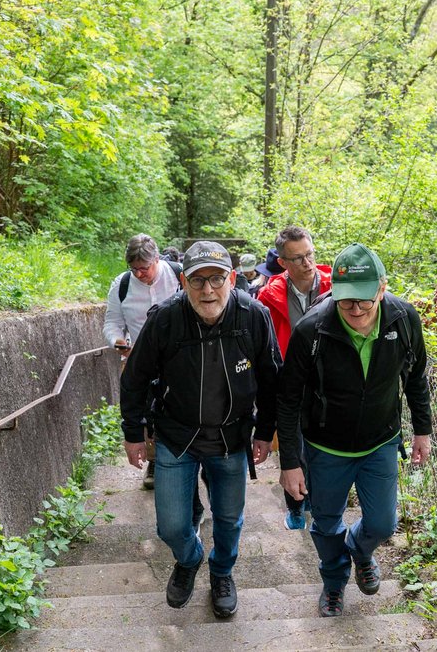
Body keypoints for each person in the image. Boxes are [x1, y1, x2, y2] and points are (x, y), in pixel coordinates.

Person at [260, 242, 432, 618]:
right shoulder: (312, 330)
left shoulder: (403, 320)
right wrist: (290, 462)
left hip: (380, 442)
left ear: (382, 289)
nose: (355, 309)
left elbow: (416, 377)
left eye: (364, 301)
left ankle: (359, 550)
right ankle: (334, 582)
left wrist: (423, 430)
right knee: (325, 523)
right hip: (326, 447)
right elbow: (287, 401)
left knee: (384, 523)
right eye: (345, 300)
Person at [120, 240, 281, 619]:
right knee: (172, 527)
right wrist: (133, 432)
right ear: (183, 281)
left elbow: (274, 381)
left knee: (229, 518)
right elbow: (135, 379)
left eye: (216, 279)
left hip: (231, 438)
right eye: (198, 280)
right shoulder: (165, 319)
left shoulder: (253, 316)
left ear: (232, 278)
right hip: (177, 437)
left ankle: (222, 572)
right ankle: (189, 559)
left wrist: (265, 432)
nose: (208, 290)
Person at [257, 226, 332, 530]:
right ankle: (297, 504)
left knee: (322, 444)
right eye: (298, 258)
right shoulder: (268, 296)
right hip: (289, 380)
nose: (307, 263)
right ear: (283, 263)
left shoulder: (335, 287)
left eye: (310, 254)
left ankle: (318, 498)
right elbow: (265, 343)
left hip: (329, 382)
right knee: (294, 444)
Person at [103, 234, 182, 489]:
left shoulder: (179, 275)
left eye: (144, 268)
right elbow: (113, 322)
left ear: (157, 259)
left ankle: (188, 458)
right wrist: (117, 341)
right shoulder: (122, 285)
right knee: (145, 413)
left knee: (180, 409)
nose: (139, 274)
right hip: (140, 358)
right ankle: (155, 461)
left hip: (179, 358)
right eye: (133, 269)